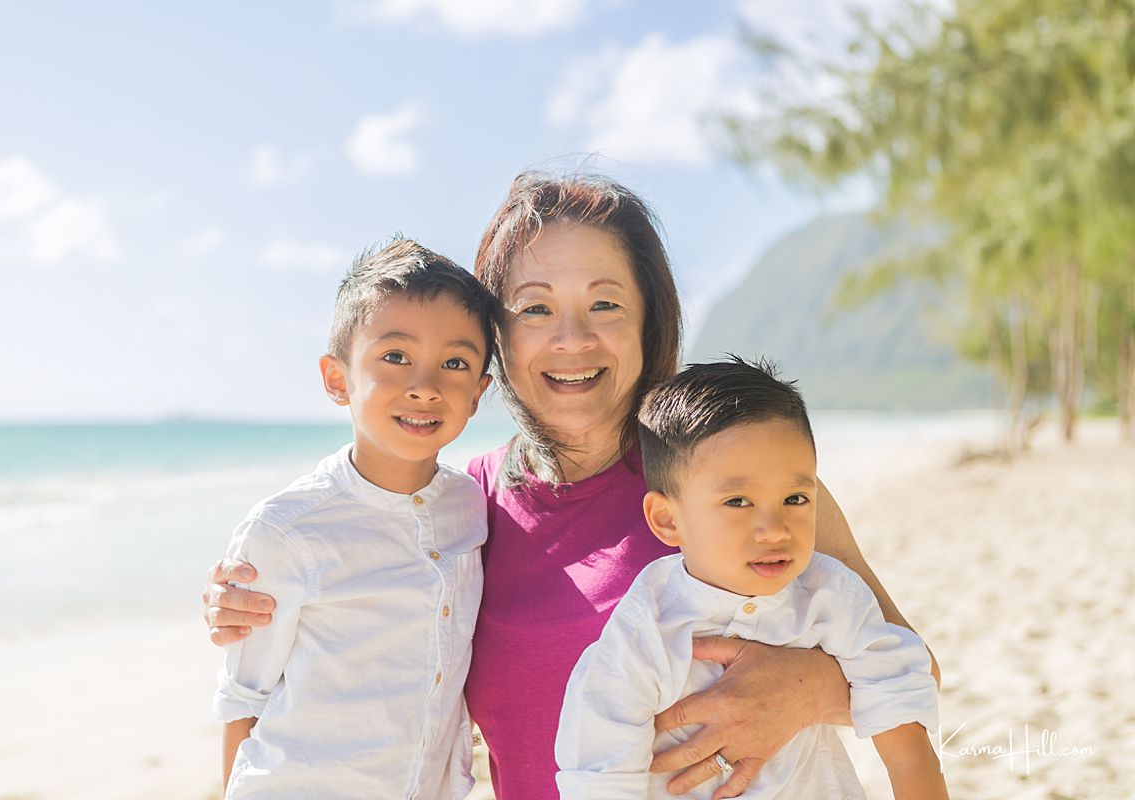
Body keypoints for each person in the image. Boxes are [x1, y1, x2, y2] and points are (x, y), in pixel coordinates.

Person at [203, 172, 941, 800]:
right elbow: (360, 610)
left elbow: (911, 665)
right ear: (498, 336)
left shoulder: (736, 485)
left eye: (605, 304)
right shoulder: (467, 509)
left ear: (651, 321)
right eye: (534, 309)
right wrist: (246, 595)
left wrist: (804, 689)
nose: (572, 339)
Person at [555, 358, 948, 800]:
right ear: (667, 520)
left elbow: (904, 722)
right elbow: (600, 774)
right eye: (738, 501)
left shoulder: (830, 595)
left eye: (795, 498)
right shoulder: (646, 626)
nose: (776, 528)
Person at [212, 238, 496, 799]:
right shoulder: (286, 531)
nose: (425, 386)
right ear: (337, 379)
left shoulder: (473, 509)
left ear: (479, 393)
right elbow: (243, 698)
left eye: (456, 363)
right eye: (395, 357)